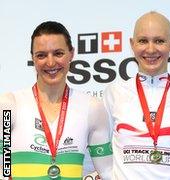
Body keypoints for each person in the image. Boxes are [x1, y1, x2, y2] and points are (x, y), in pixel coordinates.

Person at [0, 21, 112, 179]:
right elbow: (2, 168)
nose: (50, 62)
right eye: (41, 55)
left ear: (71, 54)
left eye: (58, 53)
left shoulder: (92, 107)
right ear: (32, 57)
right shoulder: (8, 106)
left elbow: (107, 171)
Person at [103, 11, 170, 179]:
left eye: (159, 41)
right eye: (143, 41)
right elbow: (102, 151)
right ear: (132, 45)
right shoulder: (114, 92)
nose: (150, 49)